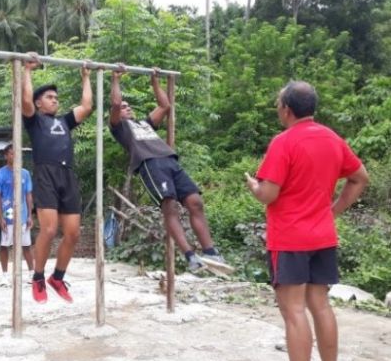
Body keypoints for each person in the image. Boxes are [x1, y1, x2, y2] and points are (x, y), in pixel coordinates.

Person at [245, 81, 368, 361]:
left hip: (290, 238)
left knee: (293, 310)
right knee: (320, 305)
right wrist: (333, 210)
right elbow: (360, 177)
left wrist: (254, 186)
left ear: (287, 110)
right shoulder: (332, 138)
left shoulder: (284, 142)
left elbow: (269, 194)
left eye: (279, 106)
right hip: (322, 236)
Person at [109, 66, 232, 274]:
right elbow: (114, 103)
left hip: (169, 161)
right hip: (150, 165)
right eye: (123, 107)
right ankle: (190, 256)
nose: (126, 108)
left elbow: (165, 105)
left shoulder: (145, 124)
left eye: (128, 106)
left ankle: (211, 252)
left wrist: (154, 80)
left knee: (196, 202)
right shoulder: (118, 128)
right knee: (170, 207)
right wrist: (116, 79)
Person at [22, 52, 93, 303]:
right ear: (39, 103)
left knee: (72, 233)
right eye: (50, 98)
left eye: (56, 98)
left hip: (67, 175)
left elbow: (86, 107)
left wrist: (85, 76)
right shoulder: (34, 121)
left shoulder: (64, 121)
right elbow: (26, 102)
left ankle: (57, 278)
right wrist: (27, 71)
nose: (55, 101)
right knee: (49, 229)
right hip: (46, 174)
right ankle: (38, 277)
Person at [0, 144, 35, 287]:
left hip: (22, 214)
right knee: (5, 245)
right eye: (11, 153)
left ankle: (31, 274)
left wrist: (30, 215)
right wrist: (0, 217)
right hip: (7, 212)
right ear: (6, 156)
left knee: (26, 245)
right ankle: (5, 276)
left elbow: (28, 194)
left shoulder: (25, 173)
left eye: (17, 153)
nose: (14, 156)